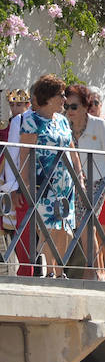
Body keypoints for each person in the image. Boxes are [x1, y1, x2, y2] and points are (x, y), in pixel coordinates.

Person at [18, 74, 83, 278]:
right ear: (48, 97)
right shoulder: (31, 121)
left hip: (65, 184)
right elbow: (24, 156)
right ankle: (50, 273)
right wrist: (26, 184)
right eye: (61, 95)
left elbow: (73, 150)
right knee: (47, 228)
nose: (64, 100)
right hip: (43, 184)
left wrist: (79, 176)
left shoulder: (63, 121)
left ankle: (59, 270)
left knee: (64, 228)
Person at [65, 84, 105, 280]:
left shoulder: (100, 125)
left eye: (73, 107)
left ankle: (94, 271)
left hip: (98, 181)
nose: (69, 111)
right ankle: (94, 270)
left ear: (84, 105)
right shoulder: (66, 125)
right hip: (73, 182)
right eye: (66, 106)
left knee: (86, 224)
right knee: (84, 226)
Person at [0, 88, 33, 275]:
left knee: (29, 229)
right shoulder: (5, 127)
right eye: (12, 105)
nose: (15, 108)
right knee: (13, 228)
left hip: (25, 180)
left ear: (27, 105)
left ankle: (29, 268)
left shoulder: (29, 122)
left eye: (19, 104)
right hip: (8, 181)